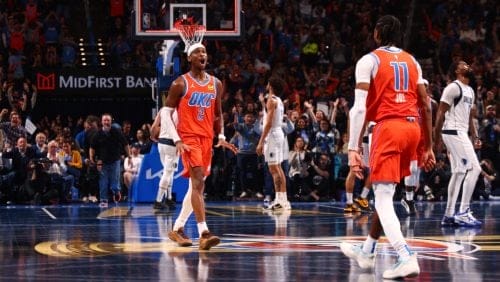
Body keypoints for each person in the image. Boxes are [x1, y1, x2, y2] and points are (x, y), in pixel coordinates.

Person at [339, 15, 435, 279]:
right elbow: (426, 105)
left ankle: (405, 255)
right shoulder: (412, 61)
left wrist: (353, 148)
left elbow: (358, 108)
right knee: (387, 193)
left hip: (388, 128)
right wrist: (428, 147)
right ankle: (368, 251)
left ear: (377, 33)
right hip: (413, 129)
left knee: (381, 196)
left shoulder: (368, 60)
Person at [164, 43, 237, 250]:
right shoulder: (180, 83)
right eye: (197, 52)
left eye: (204, 51)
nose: (202, 54)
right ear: (189, 58)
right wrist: (177, 139)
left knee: (196, 188)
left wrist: (221, 135)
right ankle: (204, 232)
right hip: (189, 139)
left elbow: (218, 114)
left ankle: (177, 228)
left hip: (207, 139)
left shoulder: (216, 83)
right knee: (197, 182)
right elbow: (165, 113)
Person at [434, 60, 482, 228]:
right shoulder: (453, 88)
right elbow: (440, 113)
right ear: (456, 71)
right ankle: (463, 211)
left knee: (460, 171)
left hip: (460, 133)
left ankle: (448, 215)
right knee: (475, 168)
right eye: (462, 64)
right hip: (452, 131)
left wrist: (475, 135)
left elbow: (468, 116)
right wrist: (436, 140)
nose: (467, 65)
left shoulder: (470, 90)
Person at [256, 76, 291, 211]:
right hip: (278, 134)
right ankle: (282, 200)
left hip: (272, 135)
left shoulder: (271, 100)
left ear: (270, 86)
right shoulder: (277, 100)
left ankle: (280, 201)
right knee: (278, 168)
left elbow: (269, 123)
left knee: (274, 169)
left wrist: (260, 142)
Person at [89, 113, 130, 207]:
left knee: (115, 183)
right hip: (102, 162)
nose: (106, 122)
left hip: (115, 160)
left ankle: (116, 192)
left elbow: (125, 144)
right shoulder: (97, 134)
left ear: (111, 121)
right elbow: (92, 147)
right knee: (103, 181)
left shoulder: (117, 132)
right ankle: (103, 200)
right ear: (101, 122)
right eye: (105, 120)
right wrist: (91, 158)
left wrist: (129, 156)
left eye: (108, 120)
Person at [150, 105, 179, 210]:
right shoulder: (181, 109)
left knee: (169, 172)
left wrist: (152, 136)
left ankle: (169, 198)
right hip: (172, 143)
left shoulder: (163, 109)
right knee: (168, 172)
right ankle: (158, 200)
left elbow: (154, 126)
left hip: (161, 143)